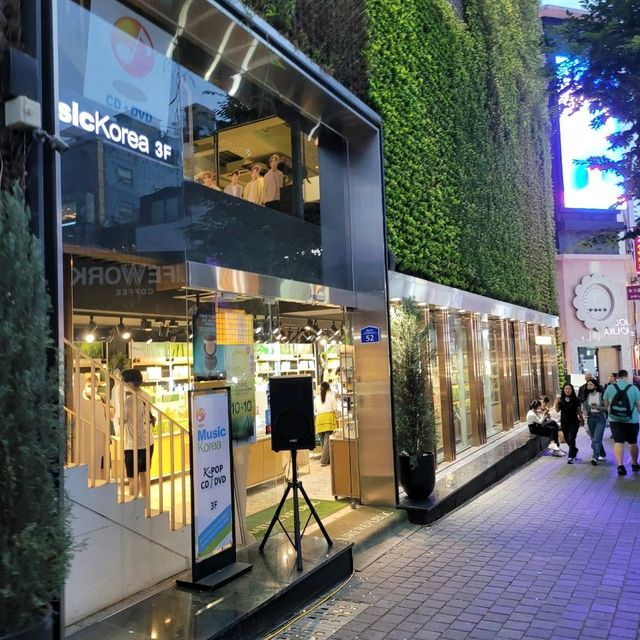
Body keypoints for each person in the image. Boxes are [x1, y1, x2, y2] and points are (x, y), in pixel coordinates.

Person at [122, 368, 154, 499]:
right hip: (148, 443)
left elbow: (121, 420)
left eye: (124, 382)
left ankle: (133, 507)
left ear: (129, 384)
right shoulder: (147, 396)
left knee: (132, 480)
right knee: (144, 475)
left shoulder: (129, 400)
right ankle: (146, 506)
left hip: (133, 445)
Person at [603, 369, 640, 476]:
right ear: (627, 377)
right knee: (633, 443)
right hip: (631, 420)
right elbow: (639, 406)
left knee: (618, 442)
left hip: (615, 420)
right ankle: (634, 464)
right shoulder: (634, 388)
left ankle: (620, 466)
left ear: (617, 377)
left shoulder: (610, 387)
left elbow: (606, 404)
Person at [582, 378, 607, 465]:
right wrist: (585, 416)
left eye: (591, 385)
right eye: (588, 385)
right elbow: (585, 408)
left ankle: (595, 457)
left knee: (596, 438)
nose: (589, 386)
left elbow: (607, 408)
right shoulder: (586, 396)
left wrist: (598, 407)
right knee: (595, 438)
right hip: (590, 418)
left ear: (595, 386)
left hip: (600, 418)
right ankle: (602, 453)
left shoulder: (601, 395)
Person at [556, 383, 583, 464]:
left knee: (572, 438)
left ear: (572, 390)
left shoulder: (576, 400)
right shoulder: (560, 400)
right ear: (563, 390)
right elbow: (557, 410)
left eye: (569, 389)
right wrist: (556, 401)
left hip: (574, 422)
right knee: (567, 439)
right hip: (564, 422)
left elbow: (579, 411)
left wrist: (581, 418)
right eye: (566, 389)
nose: (568, 390)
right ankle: (574, 449)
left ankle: (571, 456)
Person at [314, 381, 338, 466]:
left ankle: (328, 460)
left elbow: (316, 411)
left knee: (323, 442)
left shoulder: (316, 398)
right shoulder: (331, 397)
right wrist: (337, 417)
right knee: (327, 441)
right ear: (328, 388)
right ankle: (324, 460)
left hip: (319, 419)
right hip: (328, 419)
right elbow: (335, 410)